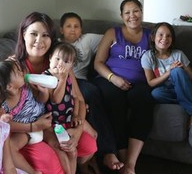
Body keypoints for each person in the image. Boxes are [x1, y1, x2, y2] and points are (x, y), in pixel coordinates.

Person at [14, 11, 93, 173]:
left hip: (62, 120)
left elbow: (78, 98)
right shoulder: (15, 68)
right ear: (23, 35)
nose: (39, 41)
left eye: (45, 35)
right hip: (33, 127)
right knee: (56, 161)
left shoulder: (60, 62)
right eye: (33, 34)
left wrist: (78, 130)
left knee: (89, 145)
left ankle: (82, 166)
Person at [93, 0, 155, 174]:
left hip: (141, 83)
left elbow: (162, 57)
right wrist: (113, 78)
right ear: (121, 16)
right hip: (109, 79)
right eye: (127, 12)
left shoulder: (151, 35)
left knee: (144, 99)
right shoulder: (113, 33)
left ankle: (130, 164)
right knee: (114, 99)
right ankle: (122, 159)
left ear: (142, 12)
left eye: (136, 11)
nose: (132, 16)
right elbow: (98, 62)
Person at [59, 12, 124, 171]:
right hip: (62, 82)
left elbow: (114, 38)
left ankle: (107, 151)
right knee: (90, 94)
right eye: (68, 26)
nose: (73, 30)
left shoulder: (87, 39)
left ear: (82, 29)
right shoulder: (55, 44)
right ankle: (103, 153)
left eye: (76, 26)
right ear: (61, 29)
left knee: (93, 93)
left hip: (81, 80)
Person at [43, 42, 97, 174]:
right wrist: (61, 79)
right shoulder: (47, 77)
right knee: (70, 151)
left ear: (71, 65)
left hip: (68, 118)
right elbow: (56, 99)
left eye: (66, 61)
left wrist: (77, 116)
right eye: (57, 59)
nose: (60, 64)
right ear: (50, 58)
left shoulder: (67, 75)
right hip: (54, 123)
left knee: (94, 134)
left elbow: (76, 98)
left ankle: (85, 164)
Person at [0, 58, 46, 174]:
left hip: (42, 119)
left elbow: (41, 101)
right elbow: (6, 124)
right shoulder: (3, 104)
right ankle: (32, 172)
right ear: (9, 86)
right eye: (18, 73)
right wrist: (32, 126)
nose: (22, 73)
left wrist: (44, 92)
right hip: (26, 130)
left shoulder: (25, 87)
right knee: (10, 148)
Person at [141, 22, 192, 127]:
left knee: (177, 71)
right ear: (153, 37)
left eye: (168, 36)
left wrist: (184, 70)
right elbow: (151, 83)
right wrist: (169, 72)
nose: (165, 38)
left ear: (172, 39)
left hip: (183, 86)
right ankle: (186, 100)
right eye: (161, 34)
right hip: (168, 91)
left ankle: (191, 112)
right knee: (156, 93)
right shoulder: (147, 57)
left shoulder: (178, 54)